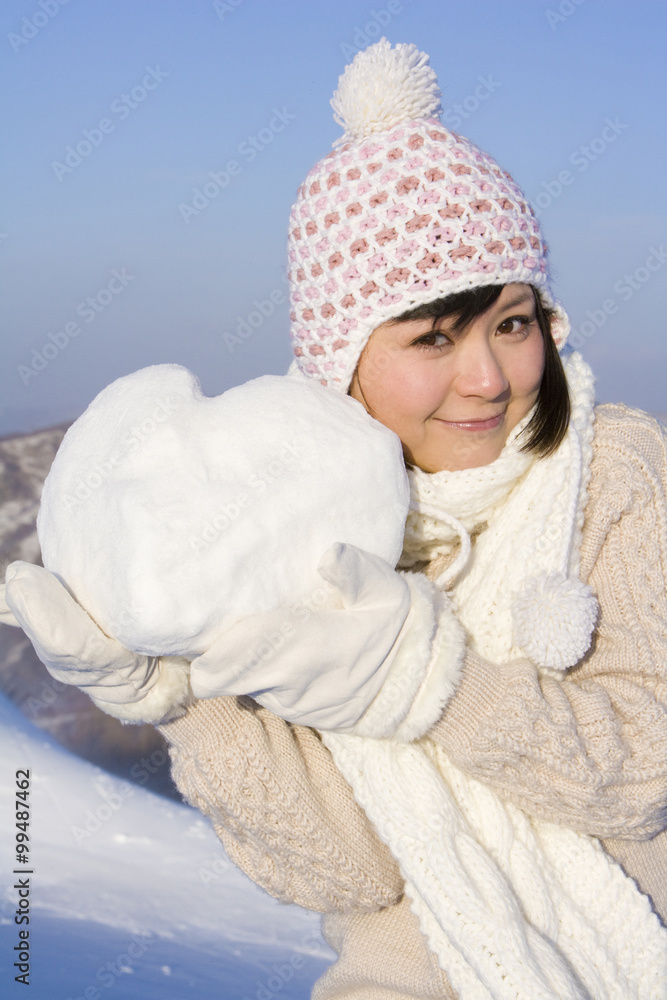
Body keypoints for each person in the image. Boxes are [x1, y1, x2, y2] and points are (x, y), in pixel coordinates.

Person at [2, 38, 667, 999]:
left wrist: (432, 683)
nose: (487, 378)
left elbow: (644, 773)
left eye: (511, 323)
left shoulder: (612, 474)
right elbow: (342, 874)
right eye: (432, 337)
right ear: (340, 364)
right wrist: (188, 706)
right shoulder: (297, 534)